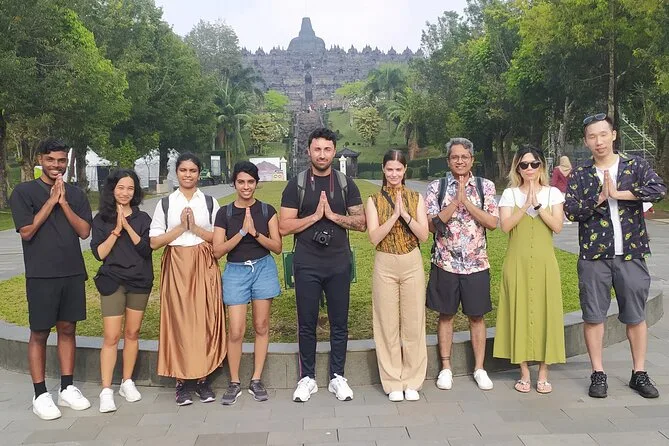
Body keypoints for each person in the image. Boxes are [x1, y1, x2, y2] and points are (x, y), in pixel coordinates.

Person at [565, 113, 666, 399]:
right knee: (593, 315)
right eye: (592, 136)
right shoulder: (581, 174)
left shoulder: (635, 165)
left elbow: (658, 189)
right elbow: (571, 211)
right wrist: (598, 198)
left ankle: (639, 372)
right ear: (586, 141)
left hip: (631, 253)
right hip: (594, 256)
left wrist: (620, 194)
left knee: (635, 315)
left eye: (603, 134)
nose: (598, 141)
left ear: (613, 135)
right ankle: (598, 373)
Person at [279, 127, 366, 402]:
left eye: (327, 149)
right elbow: (284, 226)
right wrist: (316, 217)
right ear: (308, 151)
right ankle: (307, 378)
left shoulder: (345, 184)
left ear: (334, 152)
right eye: (317, 149)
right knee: (307, 322)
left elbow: (361, 223)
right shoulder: (297, 184)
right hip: (307, 262)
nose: (322, 154)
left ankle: (337, 376)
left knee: (340, 321)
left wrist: (334, 217)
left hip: (338, 261)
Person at [9, 138, 92, 420]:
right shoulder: (24, 192)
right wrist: (51, 201)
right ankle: (40, 393)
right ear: (40, 160)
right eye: (51, 160)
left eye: (61, 160)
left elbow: (84, 232)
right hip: (41, 274)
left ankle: (67, 387)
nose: (57, 165)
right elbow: (27, 231)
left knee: (68, 329)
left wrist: (64, 202)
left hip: (71, 271)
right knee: (40, 332)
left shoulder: (76, 194)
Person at [149, 153, 226, 406]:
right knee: (179, 320)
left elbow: (219, 238)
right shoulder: (166, 204)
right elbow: (154, 242)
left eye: (193, 170)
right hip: (176, 263)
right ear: (176, 172)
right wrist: (181, 228)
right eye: (183, 170)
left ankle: (203, 379)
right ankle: (181, 382)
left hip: (203, 262)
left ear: (199, 173)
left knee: (204, 318)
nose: (188, 175)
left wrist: (195, 228)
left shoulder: (210, 202)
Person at [425, 137, 499, 391]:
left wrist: (467, 201)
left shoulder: (485, 186)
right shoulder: (436, 187)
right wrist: (455, 202)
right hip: (445, 262)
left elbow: (492, 222)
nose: (459, 161)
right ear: (448, 161)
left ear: (472, 160)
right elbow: (431, 225)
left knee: (476, 316)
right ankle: (446, 367)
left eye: (464, 157)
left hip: (476, 263)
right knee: (445, 315)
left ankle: (479, 368)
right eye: (455, 157)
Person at [494, 146, 566, 393]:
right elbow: (505, 226)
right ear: (517, 168)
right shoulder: (509, 194)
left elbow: (557, 226)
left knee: (547, 312)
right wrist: (525, 205)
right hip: (517, 262)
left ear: (541, 166)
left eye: (534, 164)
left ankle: (544, 372)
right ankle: (524, 371)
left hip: (546, 263)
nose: (529, 169)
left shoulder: (553, 193)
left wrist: (538, 206)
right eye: (524, 165)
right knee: (518, 311)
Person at [213, 161, 282, 405]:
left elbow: (277, 247)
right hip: (236, 271)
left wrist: (255, 233)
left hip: (263, 268)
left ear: (256, 183)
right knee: (236, 330)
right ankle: (234, 381)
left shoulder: (266, 210)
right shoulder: (224, 213)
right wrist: (241, 233)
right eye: (241, 182)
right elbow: (217, 251)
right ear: (234, 184)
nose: (246, 186)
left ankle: (256, 379)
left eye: (250, 182)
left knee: (261, 325)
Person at [365, 150, 429, 402]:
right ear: (383, 169)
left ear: (405, 171)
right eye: (390, 169)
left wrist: (406, 215)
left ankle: (412, 380)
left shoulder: (416, 197)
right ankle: (392, 381)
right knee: (387, 324)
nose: (394, 174)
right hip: (385, 262)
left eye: (398, 169)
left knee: (414, 322)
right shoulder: (374, 200)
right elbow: (374, 238)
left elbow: (424, 235)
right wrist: (393, 216)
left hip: (411, 261)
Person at [90, 169, 153, 412]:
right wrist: (116, 230)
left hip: (139, 280)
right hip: (113, 281)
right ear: (112, 189)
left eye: (130, 188)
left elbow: (146, 250)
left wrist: (127, 226)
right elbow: (99, 254)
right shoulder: (101, 219)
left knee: (132, 332)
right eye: (120, 188)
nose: (125, 193)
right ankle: (106, 390)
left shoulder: (143, 218)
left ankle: (127, 382)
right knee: (111, 336)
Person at [551, 155, 573, 224]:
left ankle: (561, 219)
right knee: (567, 205)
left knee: (559, 206)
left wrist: (551, 188)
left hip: (558, 191)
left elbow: (554, 181)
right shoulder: (571, 170)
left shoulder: (557, 170)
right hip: (569, 190)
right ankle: (568, 219)